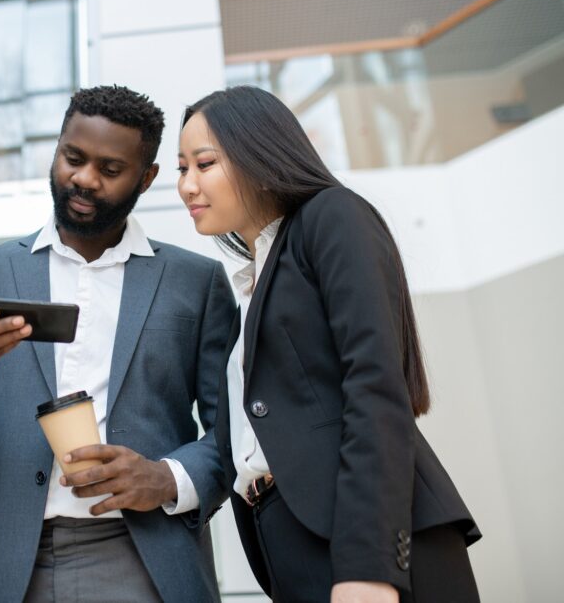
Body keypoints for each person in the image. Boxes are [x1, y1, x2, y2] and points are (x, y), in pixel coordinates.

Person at [0, 85, 235, 602]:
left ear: (147, 177)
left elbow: (233, 435)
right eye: (73, 158)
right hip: (7, 559)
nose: (84, 179)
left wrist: (166, 477)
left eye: (110, 170)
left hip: (144, 553)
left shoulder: (195, 282)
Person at [176, 85, 480, 602]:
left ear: (259, 152)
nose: (186, 185)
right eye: (182, 169)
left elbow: (375, 388)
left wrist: (370, 564)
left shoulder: (331, 216)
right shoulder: (250, 284)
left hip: (359, 536)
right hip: (290, 543)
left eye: (203, 163)